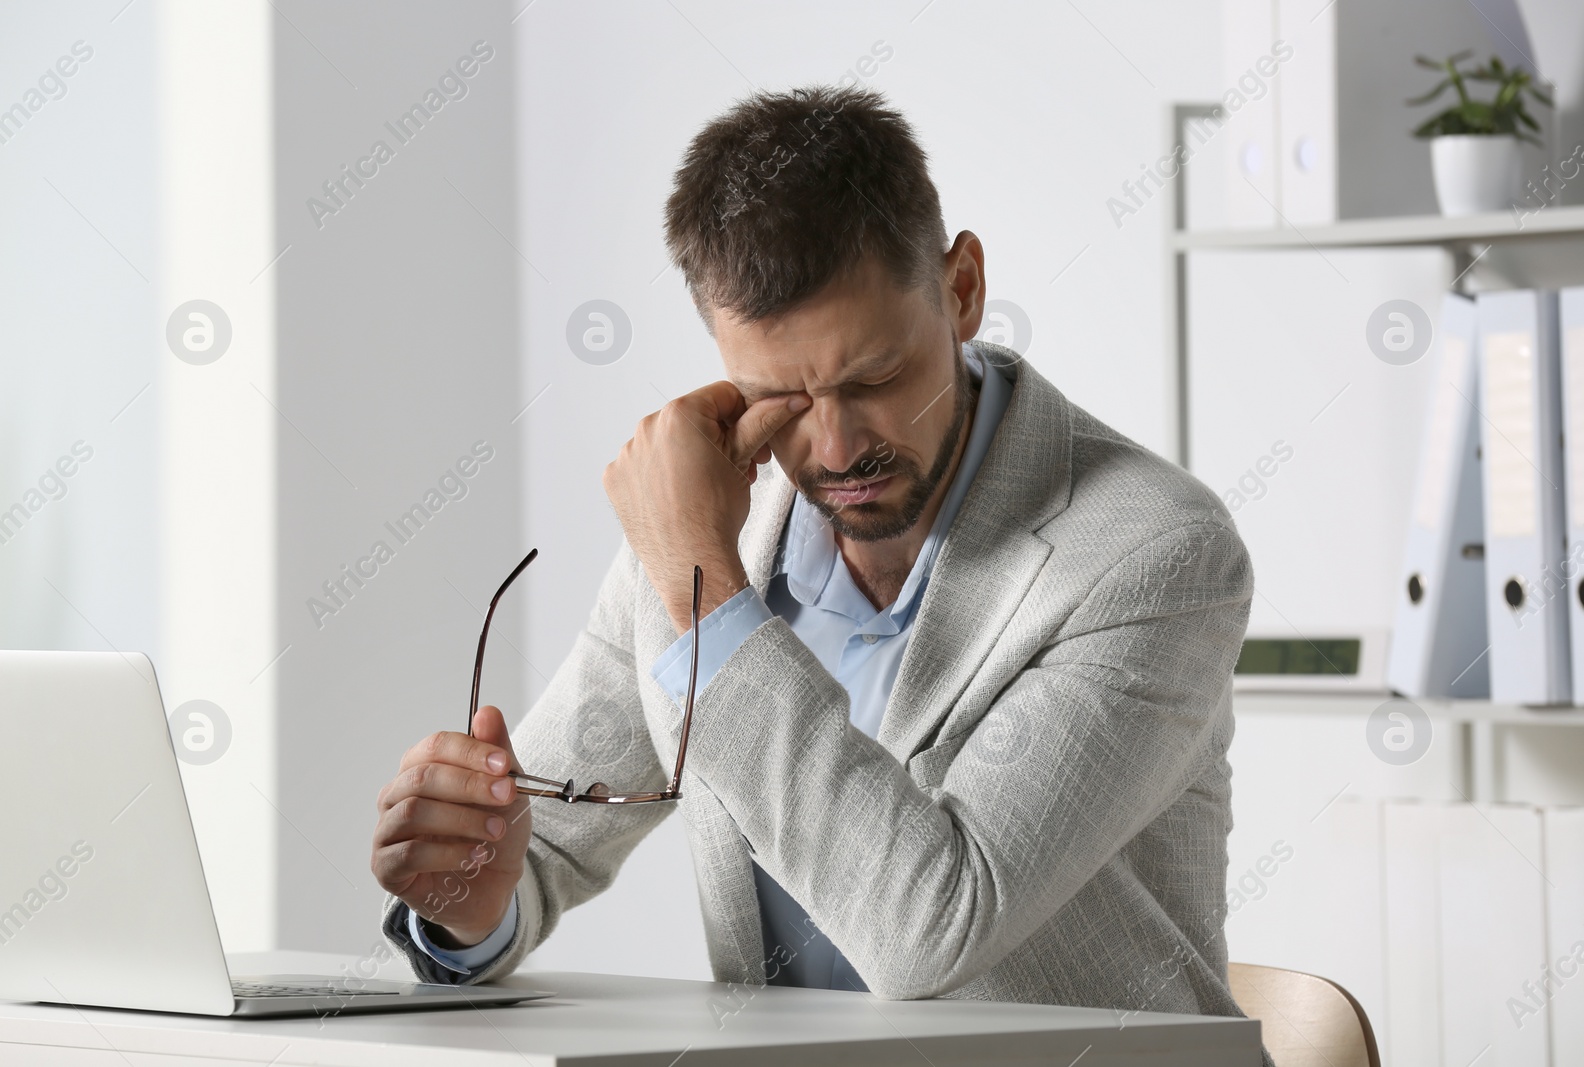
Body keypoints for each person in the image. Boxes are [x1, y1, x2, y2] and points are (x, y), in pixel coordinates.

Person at [370, 84, 1257, 1029]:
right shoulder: (709, 538)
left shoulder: (1157, 555)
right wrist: (468, 907)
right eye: (781, 395)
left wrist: (701, 588)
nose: (835, 451)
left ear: (961, 291)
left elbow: (933, 928)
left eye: (874, 377)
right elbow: (539, 849)